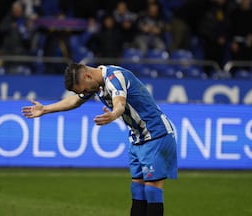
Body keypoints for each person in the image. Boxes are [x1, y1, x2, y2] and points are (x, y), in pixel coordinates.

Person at [21, 63, 178, 216]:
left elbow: (120, 103)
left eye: (84, 89)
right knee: (137, 190)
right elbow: (75, 101)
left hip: (157, 134)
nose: (86, 92)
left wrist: (113, 115)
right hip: (137, 138)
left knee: (152, 189)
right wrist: (45, 109)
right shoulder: (96, 83)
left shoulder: (114, 77)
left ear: (87, 76)